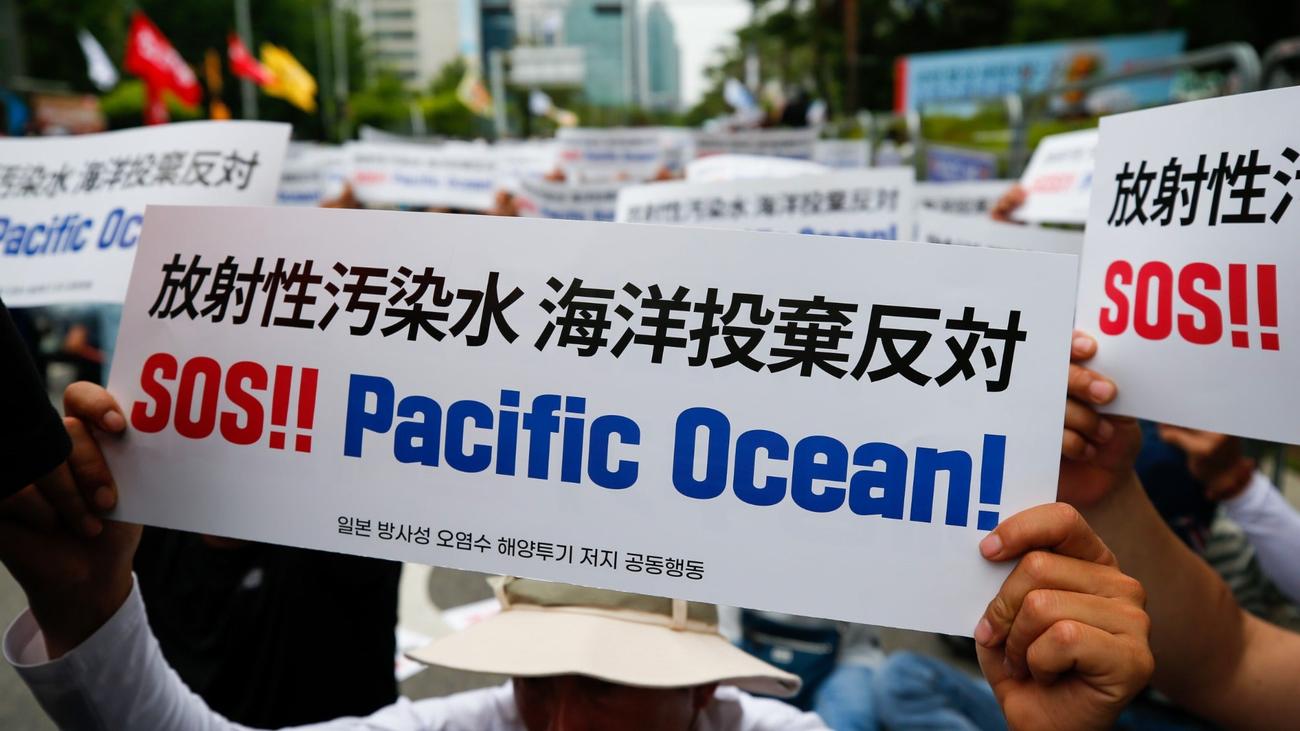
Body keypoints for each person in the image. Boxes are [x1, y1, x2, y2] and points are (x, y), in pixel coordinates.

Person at [0, 381, 1154, 730]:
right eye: (538, 669)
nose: (549, 717)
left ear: (704, 679)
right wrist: (89, 601)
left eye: (602, 680)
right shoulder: (473, 725)